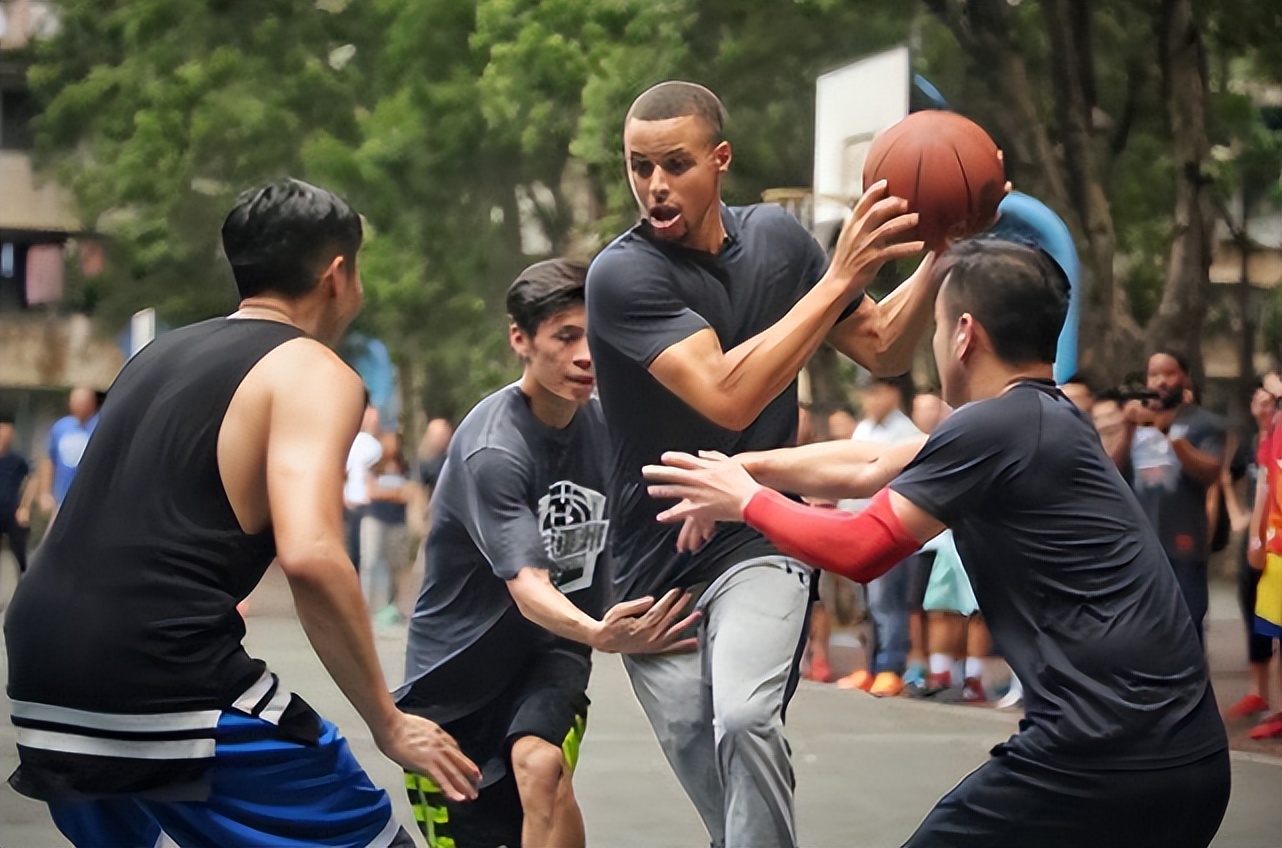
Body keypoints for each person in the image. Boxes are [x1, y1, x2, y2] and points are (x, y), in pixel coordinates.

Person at [646, 237, 1230, 848]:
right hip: (1186, 759)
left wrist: (747, 502)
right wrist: (742, 469)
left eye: (936, 322)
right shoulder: (1043, 420)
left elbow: (862, 549)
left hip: (1099, 757)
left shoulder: (993, 426)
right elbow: (869, 463)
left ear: (964, 334)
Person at [4, 178, 480, 848]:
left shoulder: (153, 358)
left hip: (40, 672)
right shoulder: (313, 371)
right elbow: (312, 555)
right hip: (159, 671)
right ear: (338, 274)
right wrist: (387, 721)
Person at [586, 79, 943, 848]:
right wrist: (841, 279)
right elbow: (727, 397)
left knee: (744, 718)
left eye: (674, 164)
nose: (653, 185)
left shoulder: (781, 244)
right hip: (655, 573)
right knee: (724, 798)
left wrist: (945, 253)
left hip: (757, 533)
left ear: (720, 161)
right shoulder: (622, 277)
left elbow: (885, 346)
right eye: (637, 166)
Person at [396, 259, 697, 848]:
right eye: (565, 336)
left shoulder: (614, 425)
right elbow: (529, 584)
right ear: (520, 339)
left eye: (595, 337)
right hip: (455, 678)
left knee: (541, 768)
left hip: (550, 652)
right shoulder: (495, 450)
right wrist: (598, 631)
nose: (586, 355)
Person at [1112, 350, 1225, 643]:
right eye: (1154, 374)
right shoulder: (1135, 419)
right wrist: (1127, 426)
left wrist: (1169, 434)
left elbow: (1211, 470)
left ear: (1185, 378)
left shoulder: (1203, 422)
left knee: (1186, 627)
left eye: (1169, 373)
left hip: (1183, 542)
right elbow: (1110, 471)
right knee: (1142, 631)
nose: (1160, 381)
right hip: (1140, 546)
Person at [836, 377, 930, 697]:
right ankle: (872, 665)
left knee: (888, 602)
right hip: (858, 526)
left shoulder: (907, 434)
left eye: (873, 393)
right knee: (868, 604)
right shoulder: (863, 430)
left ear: (890, 393)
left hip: (891, 530)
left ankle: (891, 667)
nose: (867, 401)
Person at [1224, 379, 1282, 723]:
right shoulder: (1258, 441)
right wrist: (1249, 527)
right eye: (1259, 397)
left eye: (1271, 399)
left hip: (1272, 543)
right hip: (1265, 541)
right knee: (1258, 616)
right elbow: (1239, 481)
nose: (1264, 403)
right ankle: (1259, 693)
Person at [362, 432, 414, 626]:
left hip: (398, 522)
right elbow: (370, 491)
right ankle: (367, 606)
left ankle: (391, 606)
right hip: (375, 519)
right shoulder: (374, 467)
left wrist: (390, 493)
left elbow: (410, 492)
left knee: (396, 566)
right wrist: (396, 493)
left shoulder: (405, 467)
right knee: (371, 563)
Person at [35, 386, 98, 521]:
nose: (78, 407)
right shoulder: (61, 427)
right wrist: (45, 492)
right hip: (62, 499)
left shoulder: (100, 426)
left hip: (92, 501)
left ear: (92, 403)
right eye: (75, 402)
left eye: (82, 403)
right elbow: (49, 460)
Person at [345, 404, 383, 569]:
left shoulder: (371, 444)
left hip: (364, 502)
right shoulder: (364, 443)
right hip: (355, 501)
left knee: (360, 553)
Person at [0, 417, 34, 578]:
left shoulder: (17, 460)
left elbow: (33, 479)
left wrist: (25, 507)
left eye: (8, 431)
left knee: (20, 554)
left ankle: (25, 586)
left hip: (13, 512)